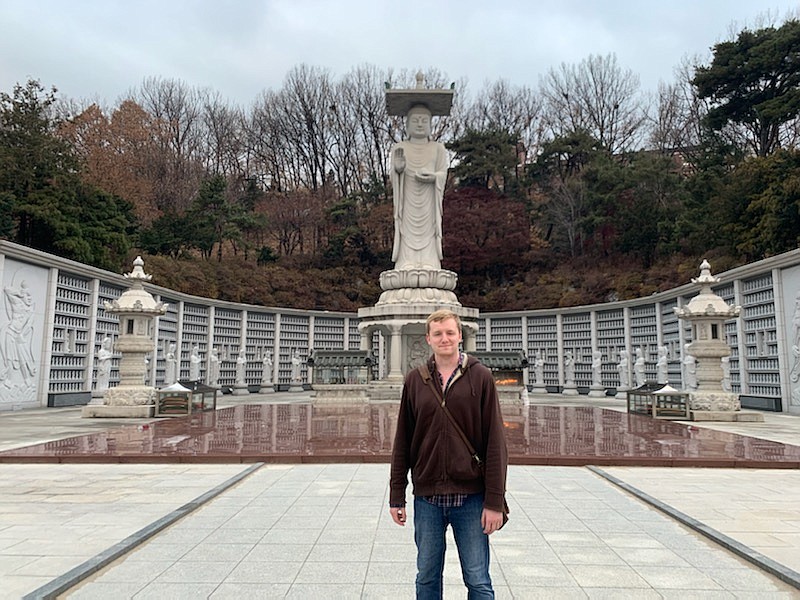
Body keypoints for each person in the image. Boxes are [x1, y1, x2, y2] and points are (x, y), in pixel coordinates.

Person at [390, 309, 508, 599]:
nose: (445, 339)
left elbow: (496, 442)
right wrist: (396, 494)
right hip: (428, 497)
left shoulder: (480, 377)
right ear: (428, 339)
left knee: (478, 579)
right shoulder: (415, 381)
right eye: (438, 334)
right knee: (427, 577)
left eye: (450, 333)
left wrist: (494, 501)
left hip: (471, 496)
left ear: (460, 336)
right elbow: (402, 441)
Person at [390, 104, 449, 271]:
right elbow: (393, 177)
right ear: (407, 125)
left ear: (431, 125)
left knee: (430, 228)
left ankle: (429, 261)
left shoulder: (438, 148)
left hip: (429, 200)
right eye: (415, 121)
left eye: (424, 121)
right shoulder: (399, 148)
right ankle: (406, 261)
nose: (420, 124)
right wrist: (399, 170)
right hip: (407, 199)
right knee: (406, 227)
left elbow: (443, 173)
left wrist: (434, 177)